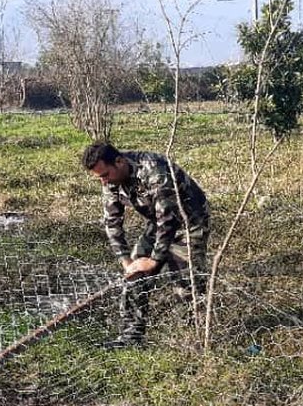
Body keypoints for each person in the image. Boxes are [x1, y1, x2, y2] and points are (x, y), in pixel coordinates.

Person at [82, 142, 209, 349]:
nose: (104, 182)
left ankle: (197, 337)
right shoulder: (110, 182)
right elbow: (112, 222)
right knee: (133, 278)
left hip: (189, 221)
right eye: (100, 178)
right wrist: (127, 262)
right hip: (157, 222)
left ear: (119, 161)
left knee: (187, 284)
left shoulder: (154, 171)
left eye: (105, 175)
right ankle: (132, 337)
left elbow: (169, 218)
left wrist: (153, 261)